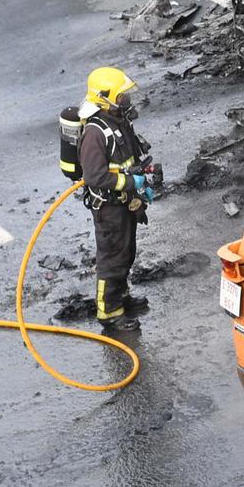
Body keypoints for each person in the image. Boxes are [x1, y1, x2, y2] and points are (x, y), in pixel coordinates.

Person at [78, 67, 155, 334]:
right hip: (109, 207)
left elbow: (129, 160)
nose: (127, 101)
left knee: (127, 253)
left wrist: (141, 184)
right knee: (112, 259)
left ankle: (121, 298)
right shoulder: (95, 133)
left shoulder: (119, 121)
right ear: (105, 98)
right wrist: (128, 183)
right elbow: (96, 177)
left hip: (126, 203)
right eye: (121, 96)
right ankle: (109, 313)